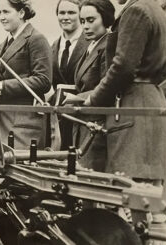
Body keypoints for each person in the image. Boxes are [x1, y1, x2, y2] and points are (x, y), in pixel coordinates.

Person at [83, 0, 166, 185]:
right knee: (149, 192)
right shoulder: (156, 10)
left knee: (130, 192)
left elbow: (123, 67)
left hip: (133, 107)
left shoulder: (136, 11)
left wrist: (94, 98)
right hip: (152, 102)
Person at [0, 0, 52, 149]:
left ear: (21, 13)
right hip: (3, 118)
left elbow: (44, 80)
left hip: (23, 123)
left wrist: (2, 86)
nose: (1, 17)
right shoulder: (4, 43)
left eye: (6, 12)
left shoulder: (36, 39)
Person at [71, 0, 114, 172]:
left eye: (91, 20)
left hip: (96, 126)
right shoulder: (92, 46)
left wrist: (76, 98)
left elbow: (107, 86)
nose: (85, 26)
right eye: (82, 21)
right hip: (84, 124)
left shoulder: (108, 45)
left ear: (105, 18)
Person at [52, 0, 89, 150]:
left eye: (71, 13)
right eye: (62, 13)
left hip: (81, 116)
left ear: (80, 15)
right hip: (59, 120)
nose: (65, 17)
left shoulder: (90, 43)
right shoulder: (53, 46)